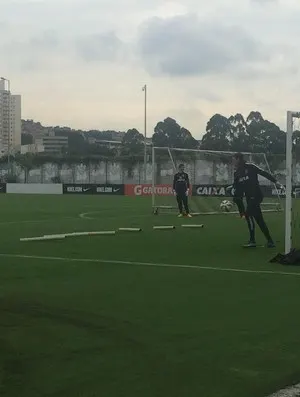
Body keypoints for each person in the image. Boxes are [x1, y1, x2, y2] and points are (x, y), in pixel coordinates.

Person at [232, 153, 283, 248]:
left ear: (238, 159)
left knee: (248, 215)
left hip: (256, 196)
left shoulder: (251, 167)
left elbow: (264, 173)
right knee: (259, 219)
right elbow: (237, 188)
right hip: (248, 198)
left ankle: (252, 241)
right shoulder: (237, 173)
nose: (233, 162)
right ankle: (270, 241)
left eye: (234, 159)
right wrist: (234, 195)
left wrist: (276, 182)